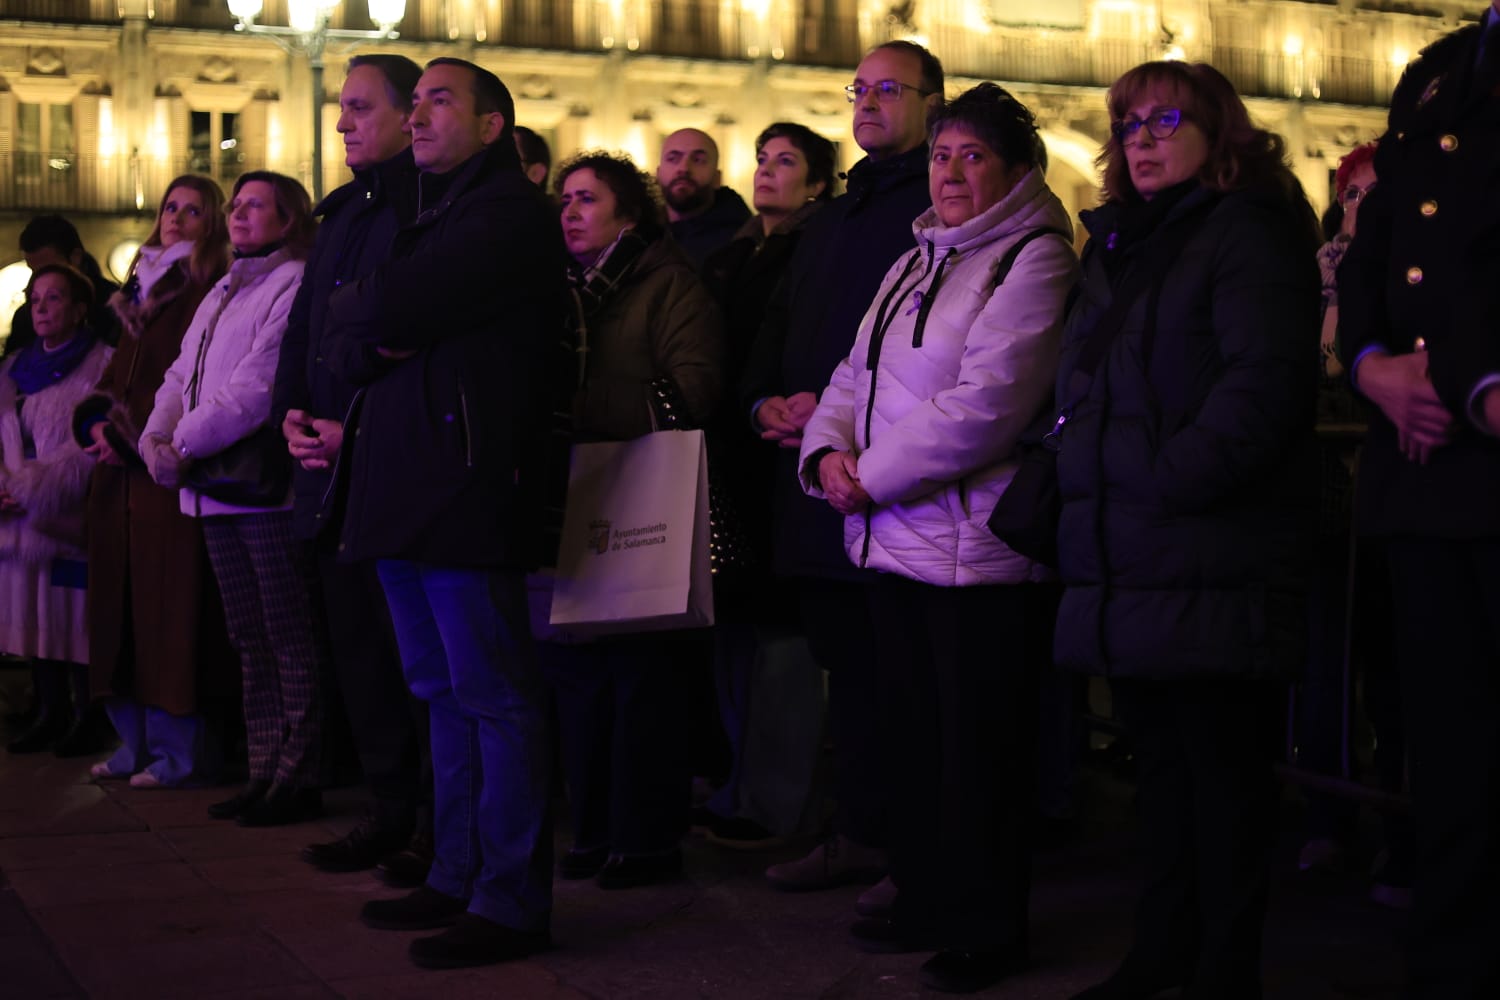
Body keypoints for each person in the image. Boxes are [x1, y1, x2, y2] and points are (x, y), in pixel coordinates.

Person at [797, 83, 1077, 994]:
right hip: (890, 540)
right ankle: (923, 897)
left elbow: (986, 406)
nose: (951, 173)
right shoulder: (915, 258)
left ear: (1013, 168)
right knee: (913, 738)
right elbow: (853, 370)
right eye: (942, 155)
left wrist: (863, 477)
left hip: (974, 550)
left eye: (972, 157)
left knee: (977, 751)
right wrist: (826, 454)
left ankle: (986, 925)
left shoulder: (1032, 259)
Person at [1054, 62, 1319, 1000]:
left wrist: (1172, 481)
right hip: (1134, 554)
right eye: (1129, 125)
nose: (1144, 139)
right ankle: (1159, 953)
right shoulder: (1121, 242)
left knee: (1224, 782)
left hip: (1210, 551)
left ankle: (1221, 970)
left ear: (1218, 131)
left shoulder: (1244, 231)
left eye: (1167, 120)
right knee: (1160, 780)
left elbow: (1266, 381)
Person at [326, 58, 564, 970]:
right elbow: (347, 344)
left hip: (464, 487)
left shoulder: (504, 216)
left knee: (495, 696)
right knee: (440, 691)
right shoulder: (428, 215)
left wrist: (370, 312)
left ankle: (509, 899)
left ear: (494, 125)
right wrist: (368, 322)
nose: (418, 116)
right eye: (414, 100)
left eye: (439, 101)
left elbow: (384, 303)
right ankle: (456, 868)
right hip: (402, 486)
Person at [740, 40, 943, 899]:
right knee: (845, 667)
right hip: (813, 477)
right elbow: (777, 333)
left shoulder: (937, 211)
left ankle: (909, 845)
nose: (868, 102)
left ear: (935, 102)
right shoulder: (831, 221)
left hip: (890, 483)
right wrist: (767, 403)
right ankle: (857, 827)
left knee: (901, 679)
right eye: (859, 88)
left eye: (889, 89)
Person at [1337, 4, 1500, 994]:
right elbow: (1380, 246)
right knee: (1449, 747)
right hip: (1431, 467)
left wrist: (1467, 376)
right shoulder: (1445, 66)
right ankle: (1452, 959)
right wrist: (1370, 364)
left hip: (1480, 435)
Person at [541, 150, 725, 888]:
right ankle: (591, 829)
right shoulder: (559, 292)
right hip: (573, 499)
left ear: (629, 213)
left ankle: (646, 837)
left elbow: (697, 391)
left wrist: (576, 414)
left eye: (587, 199)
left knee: (643, 678)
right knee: (579, 678)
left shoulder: (669, 284)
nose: (571, 213)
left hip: (642, 498)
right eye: (565, 201)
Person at [272, 53, 434, 887]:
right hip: (322, 467)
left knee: (411, 656)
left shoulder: (424, 206)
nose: (341, 123)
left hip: (383, 464)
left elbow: (405, 337)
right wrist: (294, 410)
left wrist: (352, 424)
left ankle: (433, 823)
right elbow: (306, 325)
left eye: (360, 108)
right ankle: (388, 807)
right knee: (359, 652)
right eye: (342, 107)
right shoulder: (341, 215)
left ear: (411, 116)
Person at [140, 171, 326, 828]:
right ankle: (261, 769)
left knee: (286, 631)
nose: (241, 214)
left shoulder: (292, 280)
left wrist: (182, 443)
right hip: (209, 489)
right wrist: (154, 434)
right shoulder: (221, 286)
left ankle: (296, 774)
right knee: (248, 634)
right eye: (238, 204)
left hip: (257, 487)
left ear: (288, 218)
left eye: (257, 205)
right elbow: (180, 373)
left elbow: (257, 385)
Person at [697, 121, 838, 848]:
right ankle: (740, 782)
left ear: (817, 182)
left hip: (784, 454)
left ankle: (776, 798)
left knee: (782, 638)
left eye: (786, 161)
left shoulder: (815, 250)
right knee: (736, 627)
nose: (766, 171)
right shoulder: (735, 254)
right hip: (733, 451)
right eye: (761, 158)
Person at [72, 174, 233, 786]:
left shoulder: (202, 291)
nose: (178, 218)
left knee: (168, 611)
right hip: (116, 478)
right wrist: (95, 423)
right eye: (171, 207)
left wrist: (130, 440)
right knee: (119, 610)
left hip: (161, 472)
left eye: (194, 210)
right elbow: (116, 377)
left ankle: (178, 750)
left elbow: (187, 383)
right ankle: (131, 739)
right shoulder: (139, 291)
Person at [0, 265, 112, 753]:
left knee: (73, 613)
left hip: (65, 513)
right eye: (36, 298)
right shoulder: (12, 368)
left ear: (79, 308)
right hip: (15, 516)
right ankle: (50, 709)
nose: (42, 307)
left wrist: (33, 486)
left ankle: (88, 714)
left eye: (54, 298)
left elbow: (92, 438)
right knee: (31, 611)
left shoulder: (101, 363)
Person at [4, 215, 120, 357]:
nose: (40, 278)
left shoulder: (117, 307)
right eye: (33, 270)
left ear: (75, 257)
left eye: (50, 268)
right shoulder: (27, 315)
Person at [656, 127, 750, 266]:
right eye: (673, 159)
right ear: (658, 174)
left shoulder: (740, 243)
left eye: (698, 160)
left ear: (717, 179)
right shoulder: (641, 233)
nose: (684, 168)